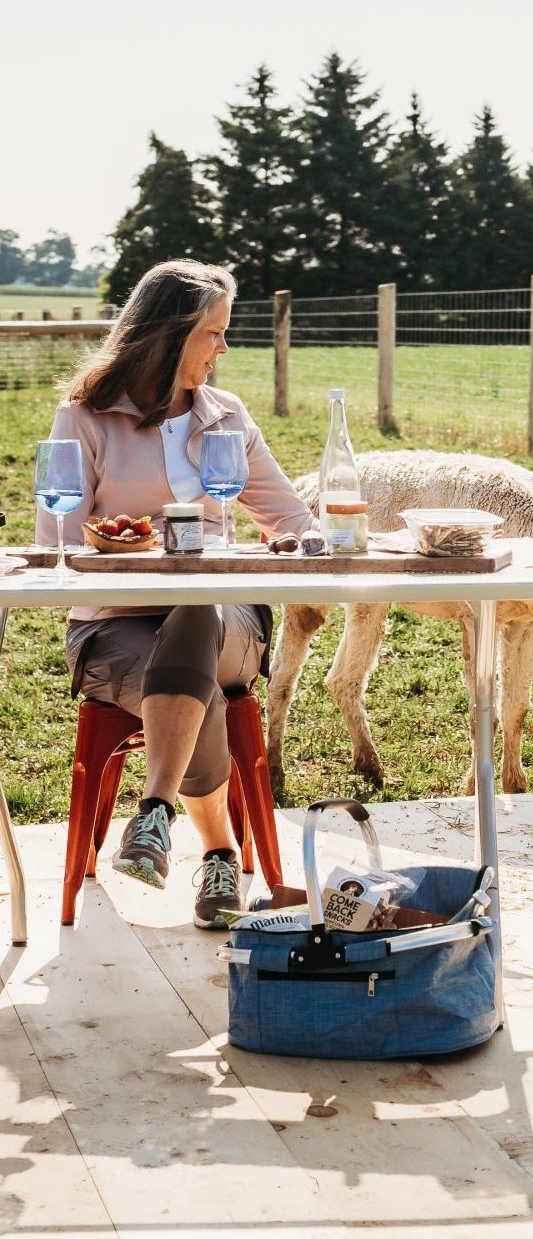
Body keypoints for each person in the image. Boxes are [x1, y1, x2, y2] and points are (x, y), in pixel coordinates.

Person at [38, 259, 317, 928]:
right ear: (170, 334)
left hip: (227, 622)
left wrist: (303, 540)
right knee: (196, 689)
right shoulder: (85, 417)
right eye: (213, 333)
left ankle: (155, 811)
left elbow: (290, 517)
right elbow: (58, 545)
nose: (224, 348)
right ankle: (219, 851)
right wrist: (142, 552)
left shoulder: (226, 415)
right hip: (113, 624)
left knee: (197, 605)